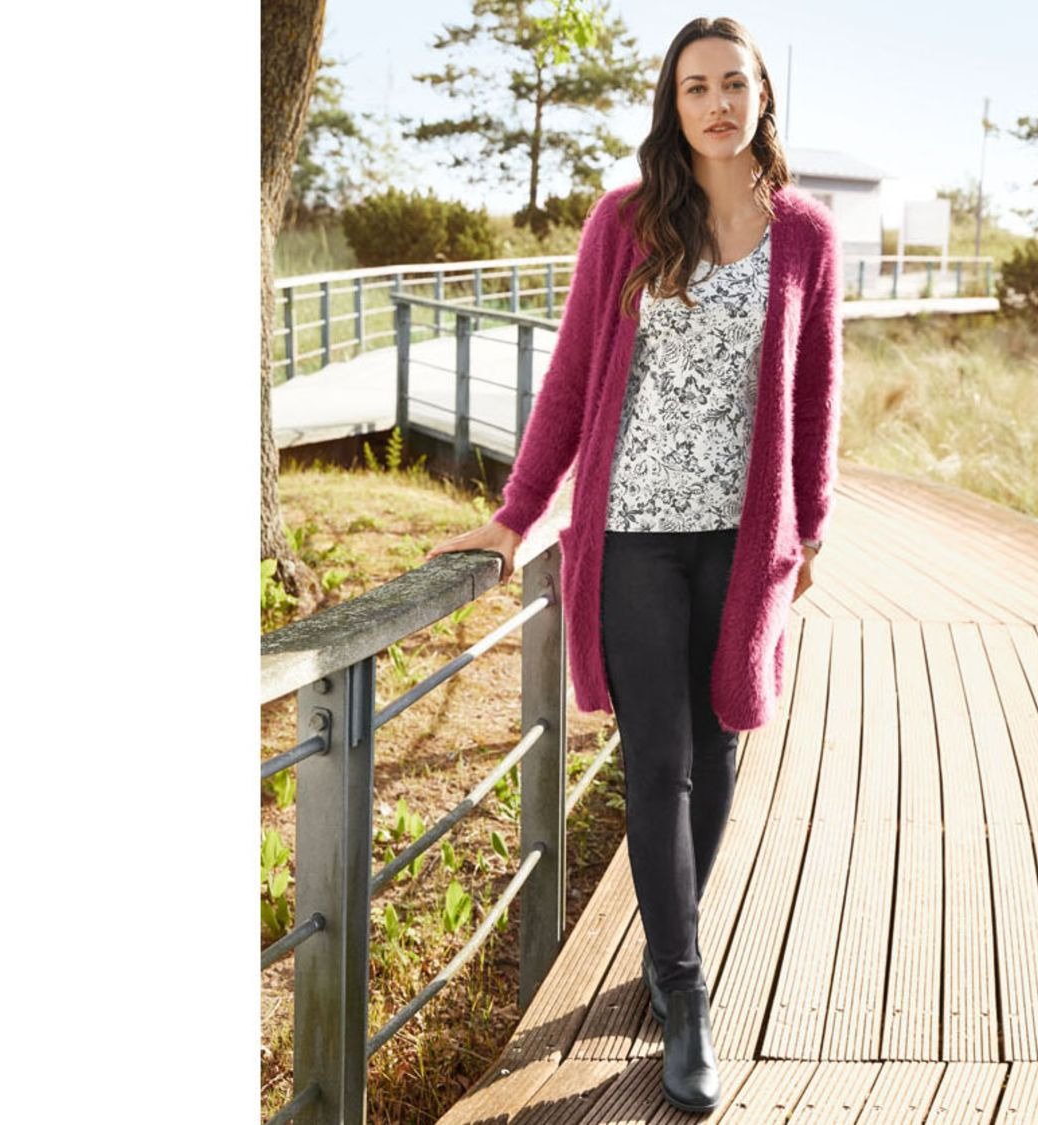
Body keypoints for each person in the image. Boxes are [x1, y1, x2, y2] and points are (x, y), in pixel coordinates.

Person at [425, 15, 842, 1115]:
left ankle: (667, 944)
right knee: (658, 760)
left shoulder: (805, 233)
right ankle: (687, 989)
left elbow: (816, 391)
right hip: (634, 536)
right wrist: (517, 516)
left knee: (720, 741)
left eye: (733, 83)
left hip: (743, 539)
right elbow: (573, 377)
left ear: (761, 95)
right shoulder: (627, 221)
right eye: (695, 86)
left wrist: (809, 527)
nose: (716, 103)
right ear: (673, 102)